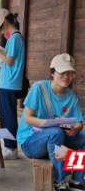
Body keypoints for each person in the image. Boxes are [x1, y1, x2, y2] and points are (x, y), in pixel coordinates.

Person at [17, 53, 85, 191]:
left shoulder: (71, 96)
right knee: (56, 131)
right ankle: (59, 180)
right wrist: (52, 122)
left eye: (70, 73)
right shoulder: (39, 88)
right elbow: (27, 118)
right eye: (62, 72)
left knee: (83, 137)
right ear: (53, 73)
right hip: (31, 142)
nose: (66, 76)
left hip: (58, 141)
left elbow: (79, 124)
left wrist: (74, 130)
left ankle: (76, 181)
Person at [0, 8, 25, 160]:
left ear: (4, 22)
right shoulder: (14, 38)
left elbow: (9, 61)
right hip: (8, 82)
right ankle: (8, 146)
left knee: (8, 116)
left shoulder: (15, 38)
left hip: (9, 83)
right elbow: (10, 58)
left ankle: (11, 148)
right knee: (5, 115)